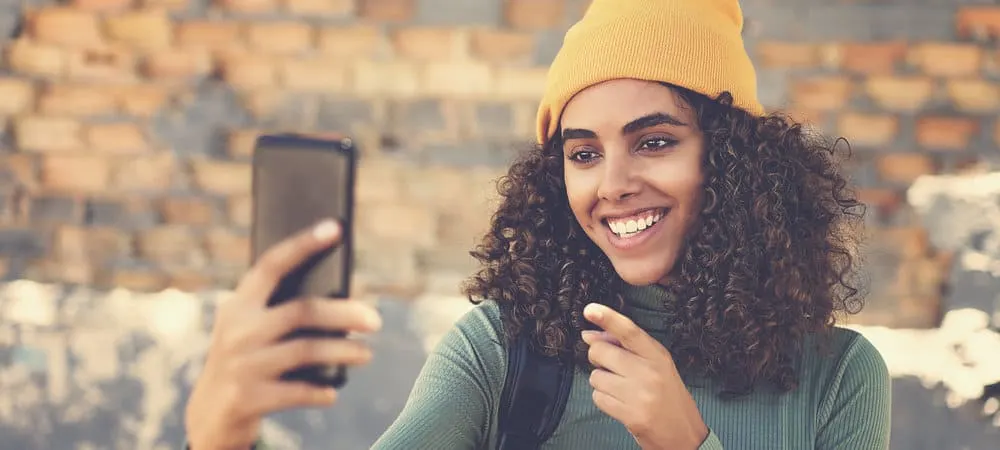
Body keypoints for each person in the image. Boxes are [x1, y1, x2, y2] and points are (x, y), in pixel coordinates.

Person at [184, 0, 892, 449]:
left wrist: (686, 443)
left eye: (654, 141)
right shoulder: (502, 352)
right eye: (583, 153)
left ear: (734, 159)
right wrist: (219, 436)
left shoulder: (839, 380)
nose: (612, 185)